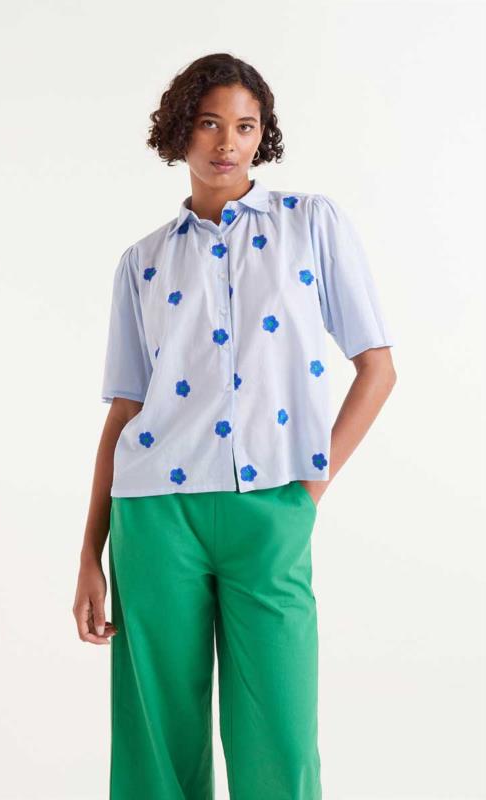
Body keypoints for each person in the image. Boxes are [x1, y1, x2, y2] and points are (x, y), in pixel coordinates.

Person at [72, 52, 397, 800]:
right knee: (157, 747)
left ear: (262, 135)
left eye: (245, 127)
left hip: (273, 509)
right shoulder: (142, 262)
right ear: (179, 130)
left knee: (280, 743)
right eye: (209, 123)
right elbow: (125, 410)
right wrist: (90, 552)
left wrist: (308, 491)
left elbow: (376, 369)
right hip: (155, 517)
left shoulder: (310, 224)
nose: (227, 142)